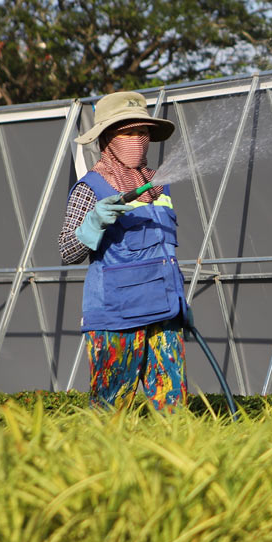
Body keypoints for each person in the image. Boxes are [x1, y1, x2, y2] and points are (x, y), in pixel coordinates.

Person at [58, 91, 189, 411]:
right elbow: (67, 250)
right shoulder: (91, 187)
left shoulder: (160, 184)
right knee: (109, 413)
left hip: (165, 313)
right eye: (128, 132)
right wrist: (94, 222)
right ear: (108, 139)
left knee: (174, 411)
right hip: (117, 317)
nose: (138, 139)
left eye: (143, 132)